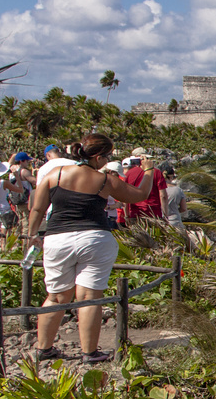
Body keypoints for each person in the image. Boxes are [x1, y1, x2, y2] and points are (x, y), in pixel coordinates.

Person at [26, 133, 156, 365]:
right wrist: (148, 171)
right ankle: (90, 353)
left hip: (57, 239)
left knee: (56, 297)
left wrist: (31, 235)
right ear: (97, 157)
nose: (108, 160)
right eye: (107, 156)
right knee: (89, 297)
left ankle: (43, 348)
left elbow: (37, 209)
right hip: (94, 238)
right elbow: (140, 195)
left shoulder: (54, 175)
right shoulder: (104, 180)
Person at [120, 147, 166, 224]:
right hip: (154, 213)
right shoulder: (156, 172)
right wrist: (165, 214)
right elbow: (163, 195)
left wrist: (127, 215)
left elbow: (125, 198)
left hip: (135, 214)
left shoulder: (129, 173)